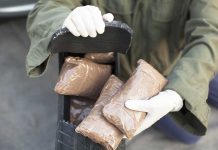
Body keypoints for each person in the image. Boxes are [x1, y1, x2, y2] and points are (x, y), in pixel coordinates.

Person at [26, 0, 218, 144]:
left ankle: (195, 84)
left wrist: (179, 94)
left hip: (169, 68)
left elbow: (210, 31)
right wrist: (65, 18)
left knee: (194, 90)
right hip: (121, 78)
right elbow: (47, 7)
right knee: (188, 134)